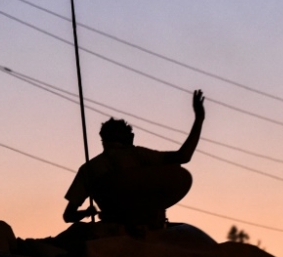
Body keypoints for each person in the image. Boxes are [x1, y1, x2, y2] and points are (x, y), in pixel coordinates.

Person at [63, 90, 205, 230]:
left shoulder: (88, 169)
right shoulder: (137, 154)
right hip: (149, 229)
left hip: (111, 231)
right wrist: (199, 119)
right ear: (126, 138)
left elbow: (68, 215)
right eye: (129, 134)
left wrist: (87, 213)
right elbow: (183, 156)